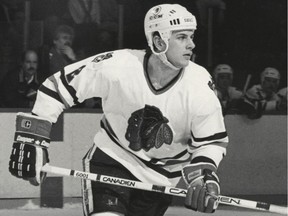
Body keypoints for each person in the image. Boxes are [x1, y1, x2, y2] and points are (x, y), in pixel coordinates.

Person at [8, 4, 229, 216]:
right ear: (158, 40)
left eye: (191, 36)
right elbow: (56, 87)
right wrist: (32, 138)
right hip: (112, 159)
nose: (191, 44)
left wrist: (204, 173)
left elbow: (210, 142)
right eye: (182, 37)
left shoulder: (199, 85)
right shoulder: (119, 65)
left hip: (161, 179)